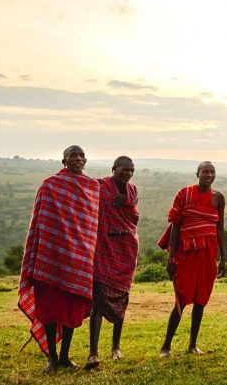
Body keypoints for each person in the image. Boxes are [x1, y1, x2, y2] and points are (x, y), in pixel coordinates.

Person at [18, 145, 99, 373]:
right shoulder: (50, 185)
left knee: (71, 311)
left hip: (79, 260)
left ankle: (64, 357)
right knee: (51, 311)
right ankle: (52, 358)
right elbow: (40, 223)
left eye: (81, 155)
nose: (78, 158)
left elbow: (91, 225)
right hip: (51, 259)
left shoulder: (92, 187)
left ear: (86, 160)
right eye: (73, 155)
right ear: (63, 160)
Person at [158, 161, 227, 357]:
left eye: (212, 172)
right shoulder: (184, 194)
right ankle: (166, 346)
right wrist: (171, 258)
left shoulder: (218, 198)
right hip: (186, 253)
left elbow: (220, 229)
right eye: (205, 171)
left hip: (208, 253)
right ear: (197, 173)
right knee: (182, 297)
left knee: (201, 299)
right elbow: (175, 227)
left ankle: (192, 345)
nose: (209, 175)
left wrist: (223, 258)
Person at [84, 156, 139, 370]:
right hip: (104, 248)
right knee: (98, 299)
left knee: (122, 297)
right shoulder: (100, 186)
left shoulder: (132, 191)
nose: (128, 173)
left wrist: (125, 203)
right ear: (114, 169)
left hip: (126, 248)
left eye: (131, 170)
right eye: (124, 169)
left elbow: (134, 217)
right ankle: (93, 353)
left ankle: (116, 347)